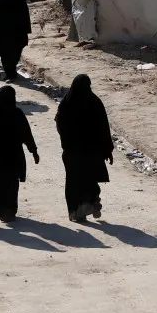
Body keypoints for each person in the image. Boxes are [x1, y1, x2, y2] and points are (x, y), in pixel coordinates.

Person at [55, 74, 115, 223]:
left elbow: (60, 124)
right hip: (92, 151)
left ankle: (76, 211)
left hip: (73, 150)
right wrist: (107, 149)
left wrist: (66, 143)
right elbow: (103, 128)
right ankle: (92, 200)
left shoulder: (67, 103)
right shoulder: (95, 102)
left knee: (74, 181)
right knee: (89, 177)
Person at [0, 85, 39, 222]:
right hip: (14, 155)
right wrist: (34, 151)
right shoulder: (17, 113)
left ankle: (2, 211)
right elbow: (27, 134)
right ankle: (11, 210)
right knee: (12, 184)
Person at [0, 0, 32, 82]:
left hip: (16, 35)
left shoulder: (19, 1)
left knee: (14, 56)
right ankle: (10, 74)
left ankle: (11, 72)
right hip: (5, 35)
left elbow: (25, 17)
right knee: (6, 56)